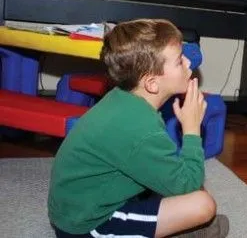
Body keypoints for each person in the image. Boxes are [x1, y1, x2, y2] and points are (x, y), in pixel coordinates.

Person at [48, 19, 229, 238]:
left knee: (188, 189)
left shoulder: (125, 98)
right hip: (89, 224)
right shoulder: (141, 129)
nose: (189, 65)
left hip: (77, 206)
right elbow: (187, 186)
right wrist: (192, 130)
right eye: (179, 61)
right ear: (152, 83)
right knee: (203, 204)